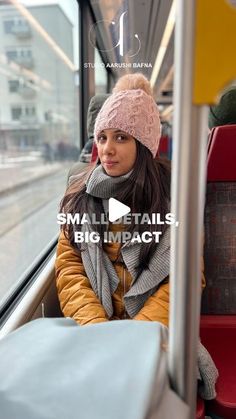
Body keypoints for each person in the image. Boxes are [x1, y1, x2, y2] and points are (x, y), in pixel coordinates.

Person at [55, 72, 205, 327]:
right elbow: (70, 270)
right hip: (94, 330)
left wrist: (138, 333)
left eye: (121, 137)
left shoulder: (175, 195)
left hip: (153, 333)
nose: (107, 149)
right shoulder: (80, 196)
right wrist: (94, 326)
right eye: (102, 137)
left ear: (144, 145)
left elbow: (186, 276)